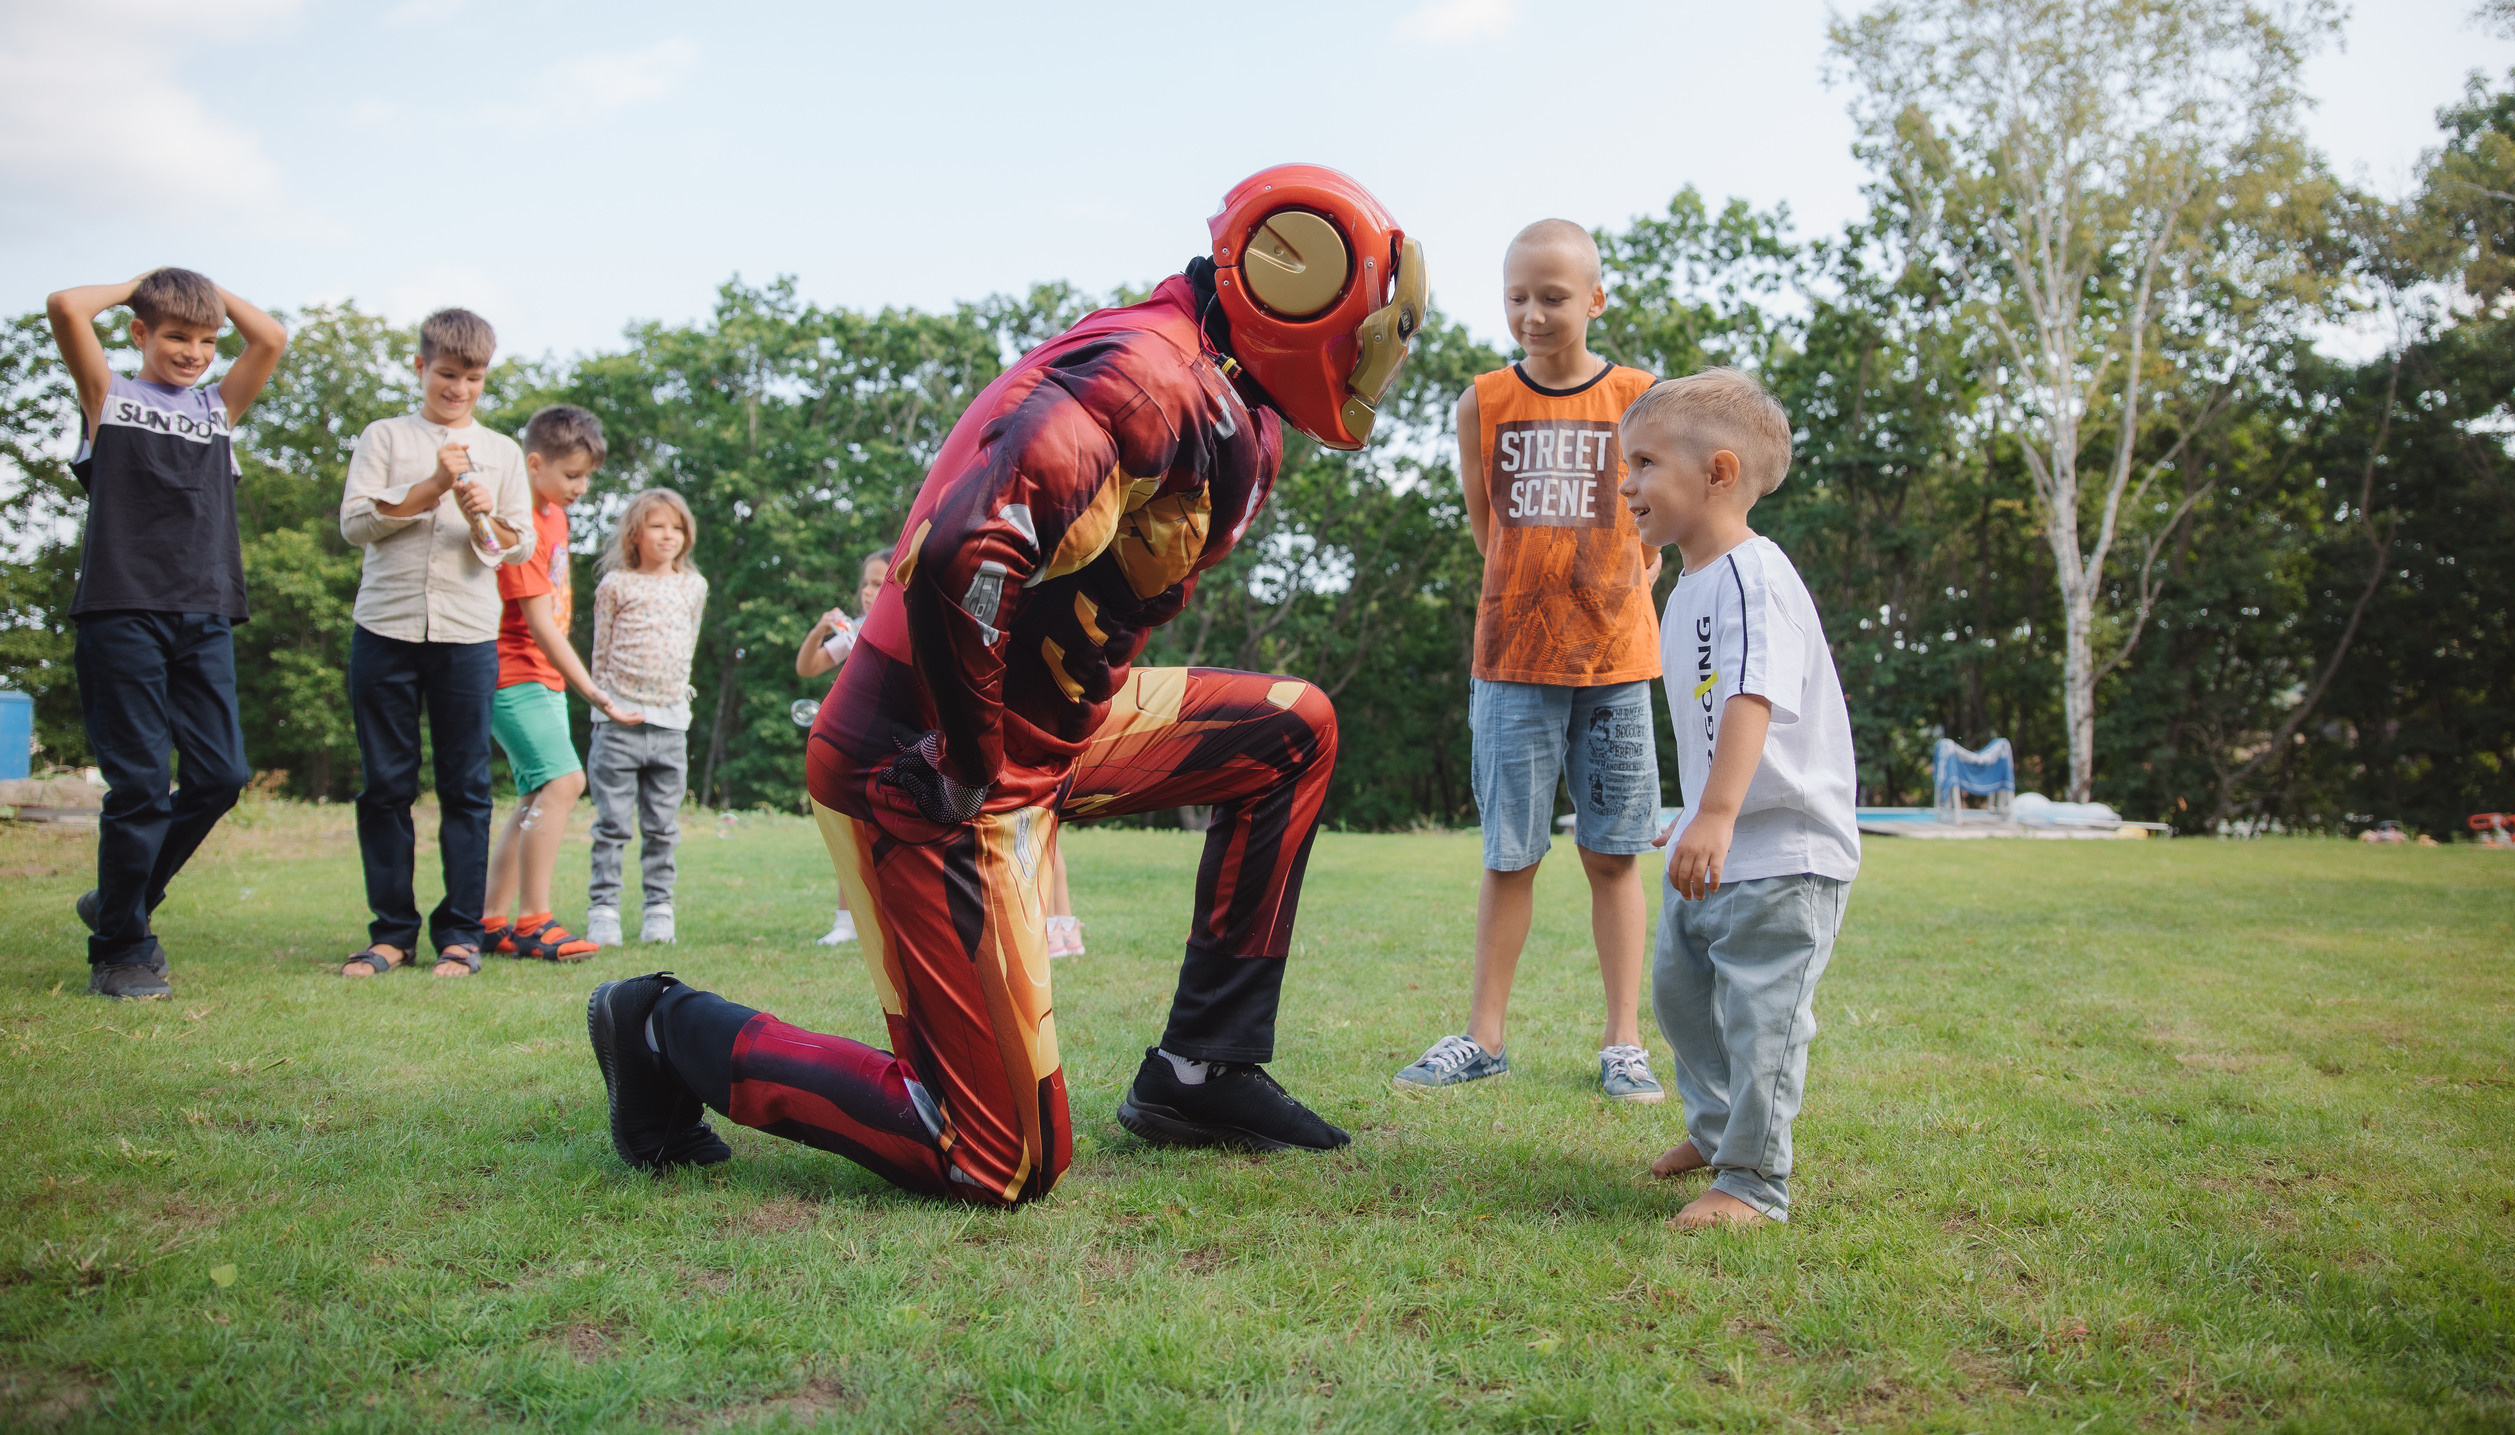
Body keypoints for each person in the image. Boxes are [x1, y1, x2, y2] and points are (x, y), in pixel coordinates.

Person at [587, 163, 1430, 1205]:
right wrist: (969, 761)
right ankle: (660, 1025)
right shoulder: (1145, 374)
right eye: (1369, 324)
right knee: (1001, 1160)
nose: (1374, 355)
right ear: (1290, 280)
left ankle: (1200, 1072)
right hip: (925, 758)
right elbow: (958, 554)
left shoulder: (1221, 390)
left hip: (1044, 730)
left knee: (1289, 729)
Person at [1392, 220, 1668, 1104]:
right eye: (1517, 295)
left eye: (1553, 296)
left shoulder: (1641, 398)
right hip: (1512, 660)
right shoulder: (1481, 401)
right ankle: (1484, 1037)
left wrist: (1622, 587)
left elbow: (1658, 526)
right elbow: (1489, 528)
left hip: (1617, 662)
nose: (1532, 313)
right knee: (1509, 853)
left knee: (1614, 855)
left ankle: (1624, 1042)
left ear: (1594, 299)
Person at [1617, 370, 1860, 1230]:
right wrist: (1698, 815)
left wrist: (1714, 811)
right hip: (1721, 842)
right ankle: (1719, 1130)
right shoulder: (1694, 582)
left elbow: (1750, 698)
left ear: (1718, 473)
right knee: (1685, 995)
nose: (1626, 482)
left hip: (1782, 849)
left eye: (1644, 462)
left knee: (1761, 1019)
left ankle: (1755, 1179)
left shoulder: (1754, 576)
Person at [45, 269, 287, 1000]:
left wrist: (206, 289)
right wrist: (140, 285)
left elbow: (270, 337)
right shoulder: (109, 396)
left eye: (207, 339)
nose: (193, 351)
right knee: (143, 783)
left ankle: (119, 898)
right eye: (176, 335)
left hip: (206, 611)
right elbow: (64, 306)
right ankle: (119, 946)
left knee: (219, 775)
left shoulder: (218, 408)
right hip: (122, 611)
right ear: (139, 334)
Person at [338, 309, 534, 981]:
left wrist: (485, 511)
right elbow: (356, 524)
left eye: (472, 378)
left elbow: (516, 548)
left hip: (467, 636)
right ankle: (391, 932)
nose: (458, 389)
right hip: (383, 630)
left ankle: (460, 933)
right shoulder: (385, 436)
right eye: (446, 374)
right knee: (385, 786)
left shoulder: (504, 453)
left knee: (466, 786)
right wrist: (431, 487)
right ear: (420, 368)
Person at [481, 405, 643, 960]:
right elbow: (539, 622)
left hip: (540, 673)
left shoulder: (555, 516)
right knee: (565, 782)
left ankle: (491, 918)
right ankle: (534, 921)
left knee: (534, 794)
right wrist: (594, 690)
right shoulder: (517, 522)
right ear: (533, 464)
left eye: (587, 476)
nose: (581, 487)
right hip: (511, 670)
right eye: (572, 475)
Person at [584, 488, 707, 948]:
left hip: (671, 723)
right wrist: (605, 706)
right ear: (635, 533)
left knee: (661, 825)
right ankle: (604, 910)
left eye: (677, 528)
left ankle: (659, 908)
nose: (668, 536)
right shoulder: (615, 584)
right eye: (658, 526)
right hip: (619, 722)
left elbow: (688, 644)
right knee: (612, 824)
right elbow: (600, 651)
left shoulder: (693, 586)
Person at [794, 549, 889, 949]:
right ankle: (846, 921)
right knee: (852, 829)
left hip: (896, 742)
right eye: (865, 583)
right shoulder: (858, 629)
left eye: (878, 583)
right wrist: (820, 629)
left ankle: (889, 921)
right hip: (858, 741)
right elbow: (808, 667)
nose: (868, 592)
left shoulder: (907, 627)